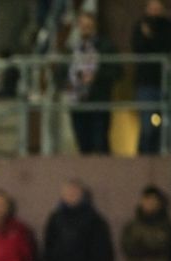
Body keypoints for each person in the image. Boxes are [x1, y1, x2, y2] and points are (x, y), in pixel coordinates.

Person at [131, 0, 171, 155]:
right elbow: (138, 49)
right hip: (147, 83)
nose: (155, 10)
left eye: (158, 7)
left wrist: (151, 39)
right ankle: (144, 155)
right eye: (152, 6)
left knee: (169, 124)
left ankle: (166, 154)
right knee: (147, 125)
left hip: (168, 82)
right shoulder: (140, 27)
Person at [67, 11, 118, 155]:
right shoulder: (72, 48)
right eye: (82, 26)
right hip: (77, 101)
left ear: (94, 26)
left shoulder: (106, 46)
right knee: (83, 142)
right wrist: (67, 83)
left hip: (99, 99)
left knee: (100, 141)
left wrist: (96, 77)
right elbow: (63, 69)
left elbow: (117, 71)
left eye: (88, 26)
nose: (85, 29)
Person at [43, 179, 114, 261]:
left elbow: (101, 248)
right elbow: (49, 245)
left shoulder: (94, 219)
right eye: (67, 193)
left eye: (74, 192)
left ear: (82, 194)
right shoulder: (55, 218)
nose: (70, 195)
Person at [121, 185, 171, 261]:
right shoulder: (132, 226)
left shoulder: (167, 226)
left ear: (159, 203)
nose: (149, 203)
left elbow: (165, 246)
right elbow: (128, 247)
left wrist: (143, 241)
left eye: (152, 200)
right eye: (146, 199)